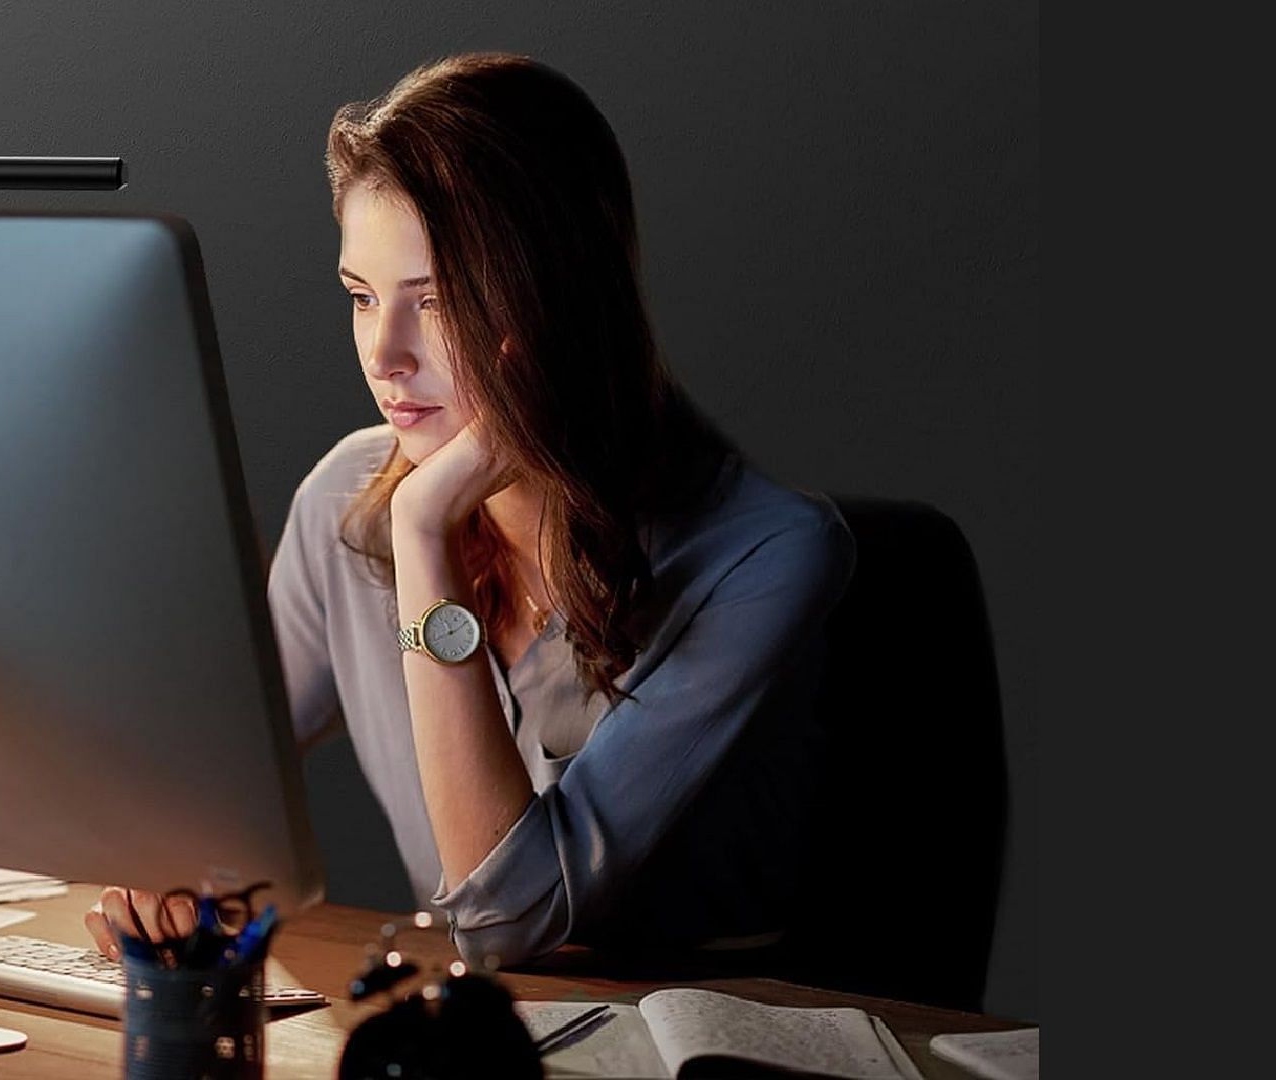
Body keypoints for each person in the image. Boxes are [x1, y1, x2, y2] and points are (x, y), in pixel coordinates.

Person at [86, 52, 854, 969]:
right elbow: (195, 783)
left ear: (553, 308)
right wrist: (154, 863)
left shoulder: (765, 555)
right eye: (361, 298)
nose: (384, 354)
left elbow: (508, 921)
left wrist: (422, 535)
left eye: (434, 302)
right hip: (460, 1040)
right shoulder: (344, 493)